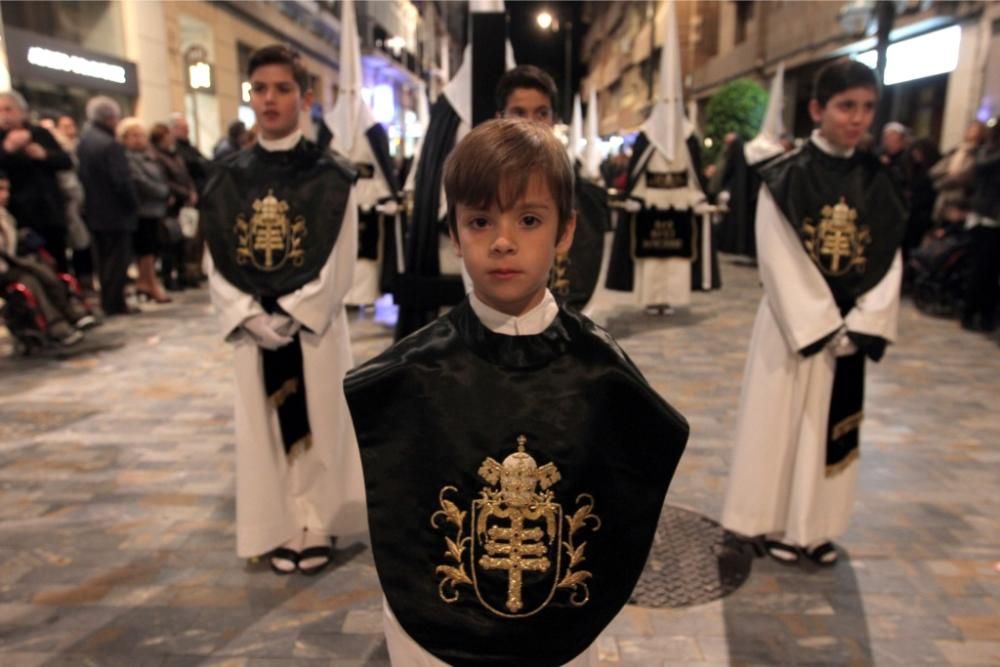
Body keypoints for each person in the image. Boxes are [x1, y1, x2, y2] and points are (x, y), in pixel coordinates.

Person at [344, 118, 689, 666]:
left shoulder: (603, 375)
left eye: (529, 219)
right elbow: (403, 523)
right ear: (454, 235)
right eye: (480, 221)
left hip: (562, 636)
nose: (503, 241)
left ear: (566, 231)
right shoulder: (406, 376)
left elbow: (615, 513)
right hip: (433, 634)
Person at [721, 60, 907, 567]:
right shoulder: (787, 176)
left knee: (829, 428)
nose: (858, 118)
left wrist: (865, 320)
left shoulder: (879, 181)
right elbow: (778, 255)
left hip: (849, 328)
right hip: (792, 325)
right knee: (781, 423)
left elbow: (889, 255)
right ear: (816, 109)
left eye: (867, 108)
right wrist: (819, 321)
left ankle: (815, 528)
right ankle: (770, 521)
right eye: (847, 106)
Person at [200, 44, 365, 575]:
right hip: (255, 329)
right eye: (260, 89)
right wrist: (248, 315)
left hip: (311, 326)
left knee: (320, 422)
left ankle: (317, 522)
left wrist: (295, 311)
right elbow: (216, 254)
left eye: (282, 89)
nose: (270, 99)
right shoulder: (226, 177)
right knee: (263, 428)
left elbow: (341, 255)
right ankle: (276, 524)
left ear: (305, 98)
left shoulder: (332, 176)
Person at [496, 65, 610, 313]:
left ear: (554, 119)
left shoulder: (579, 195)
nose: (530, 123)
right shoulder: (484, 186)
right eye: (518, 112)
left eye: (541, 113)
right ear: (501, 118)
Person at [0, 171, 92, 345]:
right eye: (0, 190)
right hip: (4, 269)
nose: (5, 195)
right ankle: (55, 324)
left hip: (11, 263)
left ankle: (71, 312)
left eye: (6, 189)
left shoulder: (5, 214)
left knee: (44, 270)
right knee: (30, 279)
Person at [77, 96, 140, 316]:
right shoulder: (109, 144)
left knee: (104, 260)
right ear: (110, 117)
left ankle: (109, 300)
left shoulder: (85, 141)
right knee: (116, 260)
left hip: (94, 211)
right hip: (113, 212)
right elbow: (121, 180)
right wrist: (133, 205)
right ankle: (114, 302)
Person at [0, 91, 73, 272]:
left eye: (9, 109)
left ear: (21, 111)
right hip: (20, 214)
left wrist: (45, 155)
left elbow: (66, 161)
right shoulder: (2, 140)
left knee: (57, 261)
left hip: (50, 211)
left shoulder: (39, 133)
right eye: (1, 110)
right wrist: (7, 149)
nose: (5, 115)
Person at [119, 117, 171, 304]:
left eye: (141, 135)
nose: (138, 139)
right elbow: (139, 181)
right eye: (133, 136)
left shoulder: (150, 156)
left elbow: (161, 176)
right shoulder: (126, 158)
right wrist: (162, 191)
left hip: (155, 208)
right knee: (145, 249)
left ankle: (146, 281)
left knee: (152, 248)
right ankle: (147, 282)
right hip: (141, 209)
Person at [961, 120, 1000, 333]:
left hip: (992, 217)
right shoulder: (987, 152)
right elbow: (980, 168)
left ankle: (987, 315)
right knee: (981, 269)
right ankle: (971, 313)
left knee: (992, 272)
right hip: (986, 217)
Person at [149, 122, 197, 291]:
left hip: (181, 203)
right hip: (169, 205)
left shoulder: (174, 154)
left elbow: (185, 175)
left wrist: (191, 191)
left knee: (183, 242)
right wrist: (183, 193)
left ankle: (182, 275)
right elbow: (166, 181)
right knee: (168, 242)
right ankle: (168, 277)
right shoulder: (157, 156)